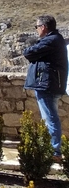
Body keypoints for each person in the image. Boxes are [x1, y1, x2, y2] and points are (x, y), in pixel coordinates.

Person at [23, 15, 67, 161]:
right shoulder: (56, 40)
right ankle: (50, 147)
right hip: (50, 83)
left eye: (37, 27)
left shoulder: (51, 40)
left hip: (47, 84)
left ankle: (55, 151)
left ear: (43, 27)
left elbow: (28, 53)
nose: (36, 30)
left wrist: (32, 46)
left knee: (50, 117)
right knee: (48, 117)